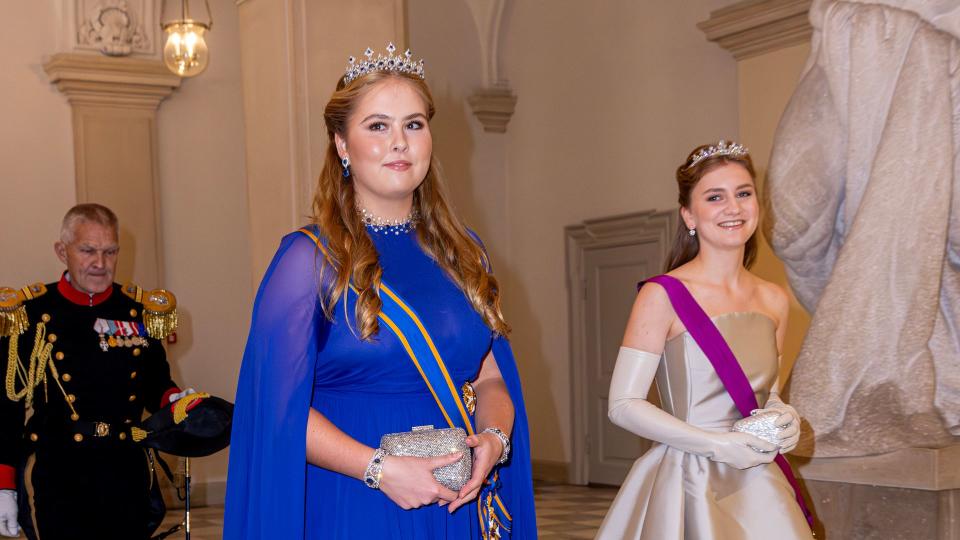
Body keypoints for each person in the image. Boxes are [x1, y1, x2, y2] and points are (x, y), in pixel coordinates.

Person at [223, 44, 536, 539]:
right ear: (342, 145)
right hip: (354, 499)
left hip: (455, 500)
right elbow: (274, 406)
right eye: (377, 126)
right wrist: (378, 468)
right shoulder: (307, 260)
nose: (400, 143)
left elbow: (491, 377)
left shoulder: (465, 252)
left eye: (413, 124)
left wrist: (494, 440)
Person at [595, 141, 814, 539]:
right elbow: (623, 405)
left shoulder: (775, 299)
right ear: (689, 215)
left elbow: (768, 394)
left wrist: (786, 419)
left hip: (758, 483)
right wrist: (717, 445)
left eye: (743, 194)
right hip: (688, 478)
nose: (733, 208)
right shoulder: (662, 295)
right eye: (715, 197)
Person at [0, 203, 193, 540]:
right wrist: (4, 484)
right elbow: (7, 408)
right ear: (62, 251)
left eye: (110, 251)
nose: (100, 264)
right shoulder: (32, 314)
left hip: (125, 471)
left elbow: (156, 383)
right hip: (61, 472)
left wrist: (175, 400)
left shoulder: (135, 311)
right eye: (88, 250)